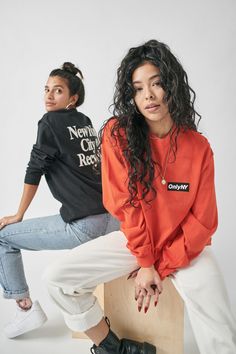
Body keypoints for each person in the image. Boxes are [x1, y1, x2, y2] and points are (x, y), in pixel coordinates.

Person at [43, 41, 236, 354]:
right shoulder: (118, 135)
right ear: (130, 95)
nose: (148, 95)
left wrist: (162, 264)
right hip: (136, 242)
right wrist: (146, 261)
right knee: (56, 278)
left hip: (184, 249)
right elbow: (125, 205)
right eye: (138, 88)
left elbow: (204, 221)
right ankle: (110, 347)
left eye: (157, 84)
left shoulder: (198, 147)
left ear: (171, 85)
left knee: (219, 321)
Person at [0, 62, 119, 339]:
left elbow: (35, 169)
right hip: (112, 220)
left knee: (4, 237)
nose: (49, 96)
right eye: (47, 90)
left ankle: (25, 308)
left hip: (85, 226)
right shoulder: (85, 121)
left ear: (72, 98)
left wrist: (18, 214)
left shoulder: (50, 122)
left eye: (58, 91)